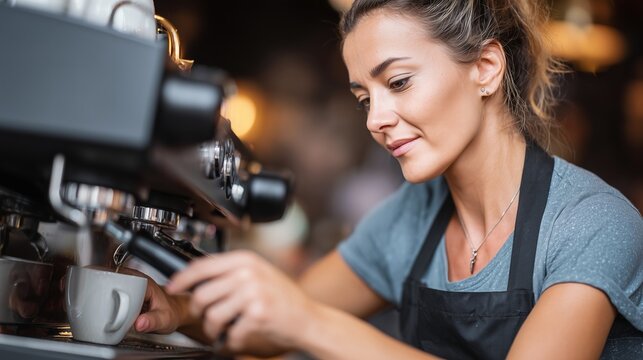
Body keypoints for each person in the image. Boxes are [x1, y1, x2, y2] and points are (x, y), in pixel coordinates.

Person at [130, 0, 643, 359]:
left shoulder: (593, 222)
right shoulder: (411, 216)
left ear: (485, 67)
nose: (375, 118)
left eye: (398, 83)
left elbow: (301, 317)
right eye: (364, 98)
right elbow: (272, 324)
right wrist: (176, 309)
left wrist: (307, 321)